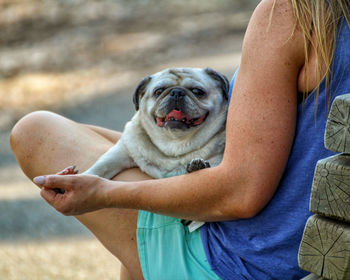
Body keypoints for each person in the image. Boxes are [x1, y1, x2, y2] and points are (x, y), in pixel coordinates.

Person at [10, 0, 350, 279]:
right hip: (326, 253)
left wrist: (105, 193)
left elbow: (240, 193)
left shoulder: (294, 14)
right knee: (118, 146)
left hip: (246, 263)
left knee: (36, 131)